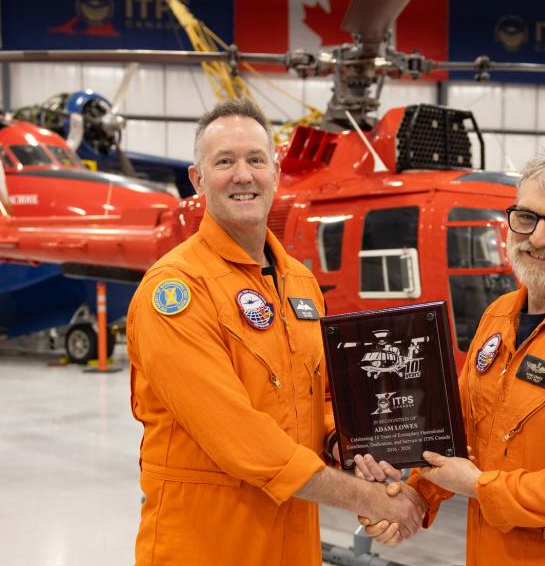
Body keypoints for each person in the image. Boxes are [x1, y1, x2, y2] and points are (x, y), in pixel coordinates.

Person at [127, 98, 421, 566]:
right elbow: (237, 437)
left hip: (291, 539)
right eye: (224, 161)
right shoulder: (175, 291)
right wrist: (368, 499)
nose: (243, 175)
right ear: (198, 179)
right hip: (204, 544)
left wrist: (344, 446)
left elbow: (322, 399)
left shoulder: (300, 284)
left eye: (256, 160)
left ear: (276, 173)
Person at [355, 150, 545, 565]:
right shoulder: (500, 314)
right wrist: (415, 495)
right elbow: (457, 430)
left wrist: (482, 488)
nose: (537, 238)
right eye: (525, 217)